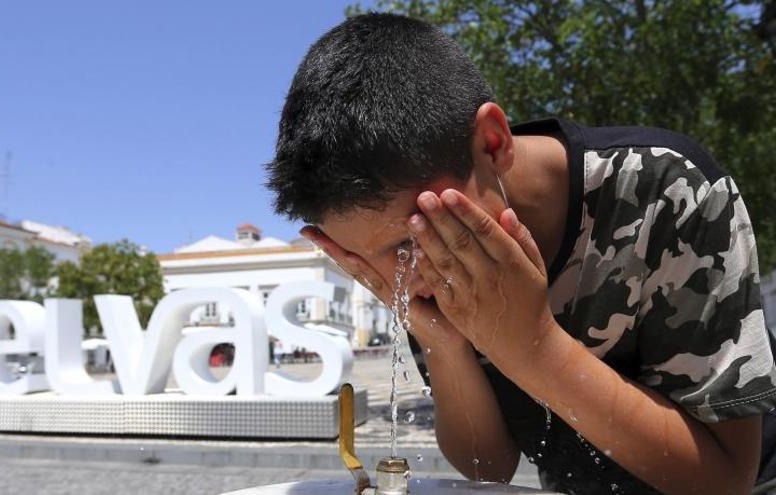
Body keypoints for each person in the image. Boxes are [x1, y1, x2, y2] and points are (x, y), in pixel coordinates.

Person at [265, 12, 776, 494]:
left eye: (405, 244)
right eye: (361, 258)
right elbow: (490, 467)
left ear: (492, 144)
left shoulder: (665, 191)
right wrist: (445, 347)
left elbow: (726, 481)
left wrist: (533, 347)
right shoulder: (426, 259)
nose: (401, 279)